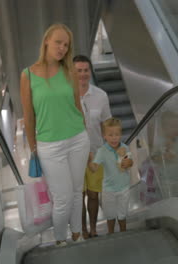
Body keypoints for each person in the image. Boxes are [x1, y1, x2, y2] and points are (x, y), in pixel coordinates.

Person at [20, 23, 90, 246]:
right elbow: (28, 117)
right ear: (47, 41)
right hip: (50, 146)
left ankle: (77, 235)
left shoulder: (69, 71)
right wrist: (33, 149)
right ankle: (60, 240)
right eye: (58, 42)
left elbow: (78, 107)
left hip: (78, 139)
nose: (62, 48)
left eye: (66, 45)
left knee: (78, 192)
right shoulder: (28, 75)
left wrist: (87, 136)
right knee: (63, 199)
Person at [73, 54, 112, 239]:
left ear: (90, 72)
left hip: (96, 153)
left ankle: (94, 228)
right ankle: (83, 229)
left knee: (94, 194)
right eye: (78, 71)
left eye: (85, 70)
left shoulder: (101, 96)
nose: (82, 74)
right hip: (73, 156)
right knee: (78, 196)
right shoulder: (65, 97)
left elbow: (107, 124)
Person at [88, 118, 133, 234]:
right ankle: (111, 234)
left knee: (122, 215)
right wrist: (90, 161)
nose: (114, 138)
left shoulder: (125, 148)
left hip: (124, 188)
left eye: (117, 134)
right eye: (110, 135)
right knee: (110, 216)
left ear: (121, 134)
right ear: (104, 136)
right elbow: (94, 168)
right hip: (108, 190)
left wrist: (129, 163)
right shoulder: (102, 151)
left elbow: (129, 163)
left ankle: (123, 233)